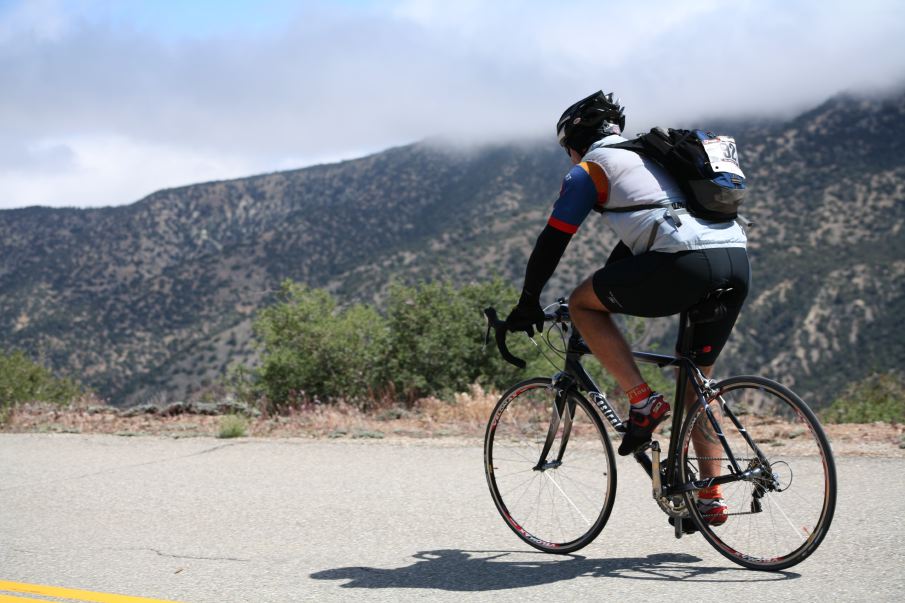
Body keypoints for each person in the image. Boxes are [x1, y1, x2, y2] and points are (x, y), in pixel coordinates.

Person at [505, 90, 751, 525]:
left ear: (575, 142)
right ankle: (709, 495)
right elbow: (636, 241)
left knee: (584, 304)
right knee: (697, 384)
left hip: (685, 263)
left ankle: (642, 401)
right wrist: (611, 281)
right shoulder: (651, 160)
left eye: (568, 150)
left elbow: (553, 240)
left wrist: (527, 303)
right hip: (735, 260)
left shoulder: (590, 169)